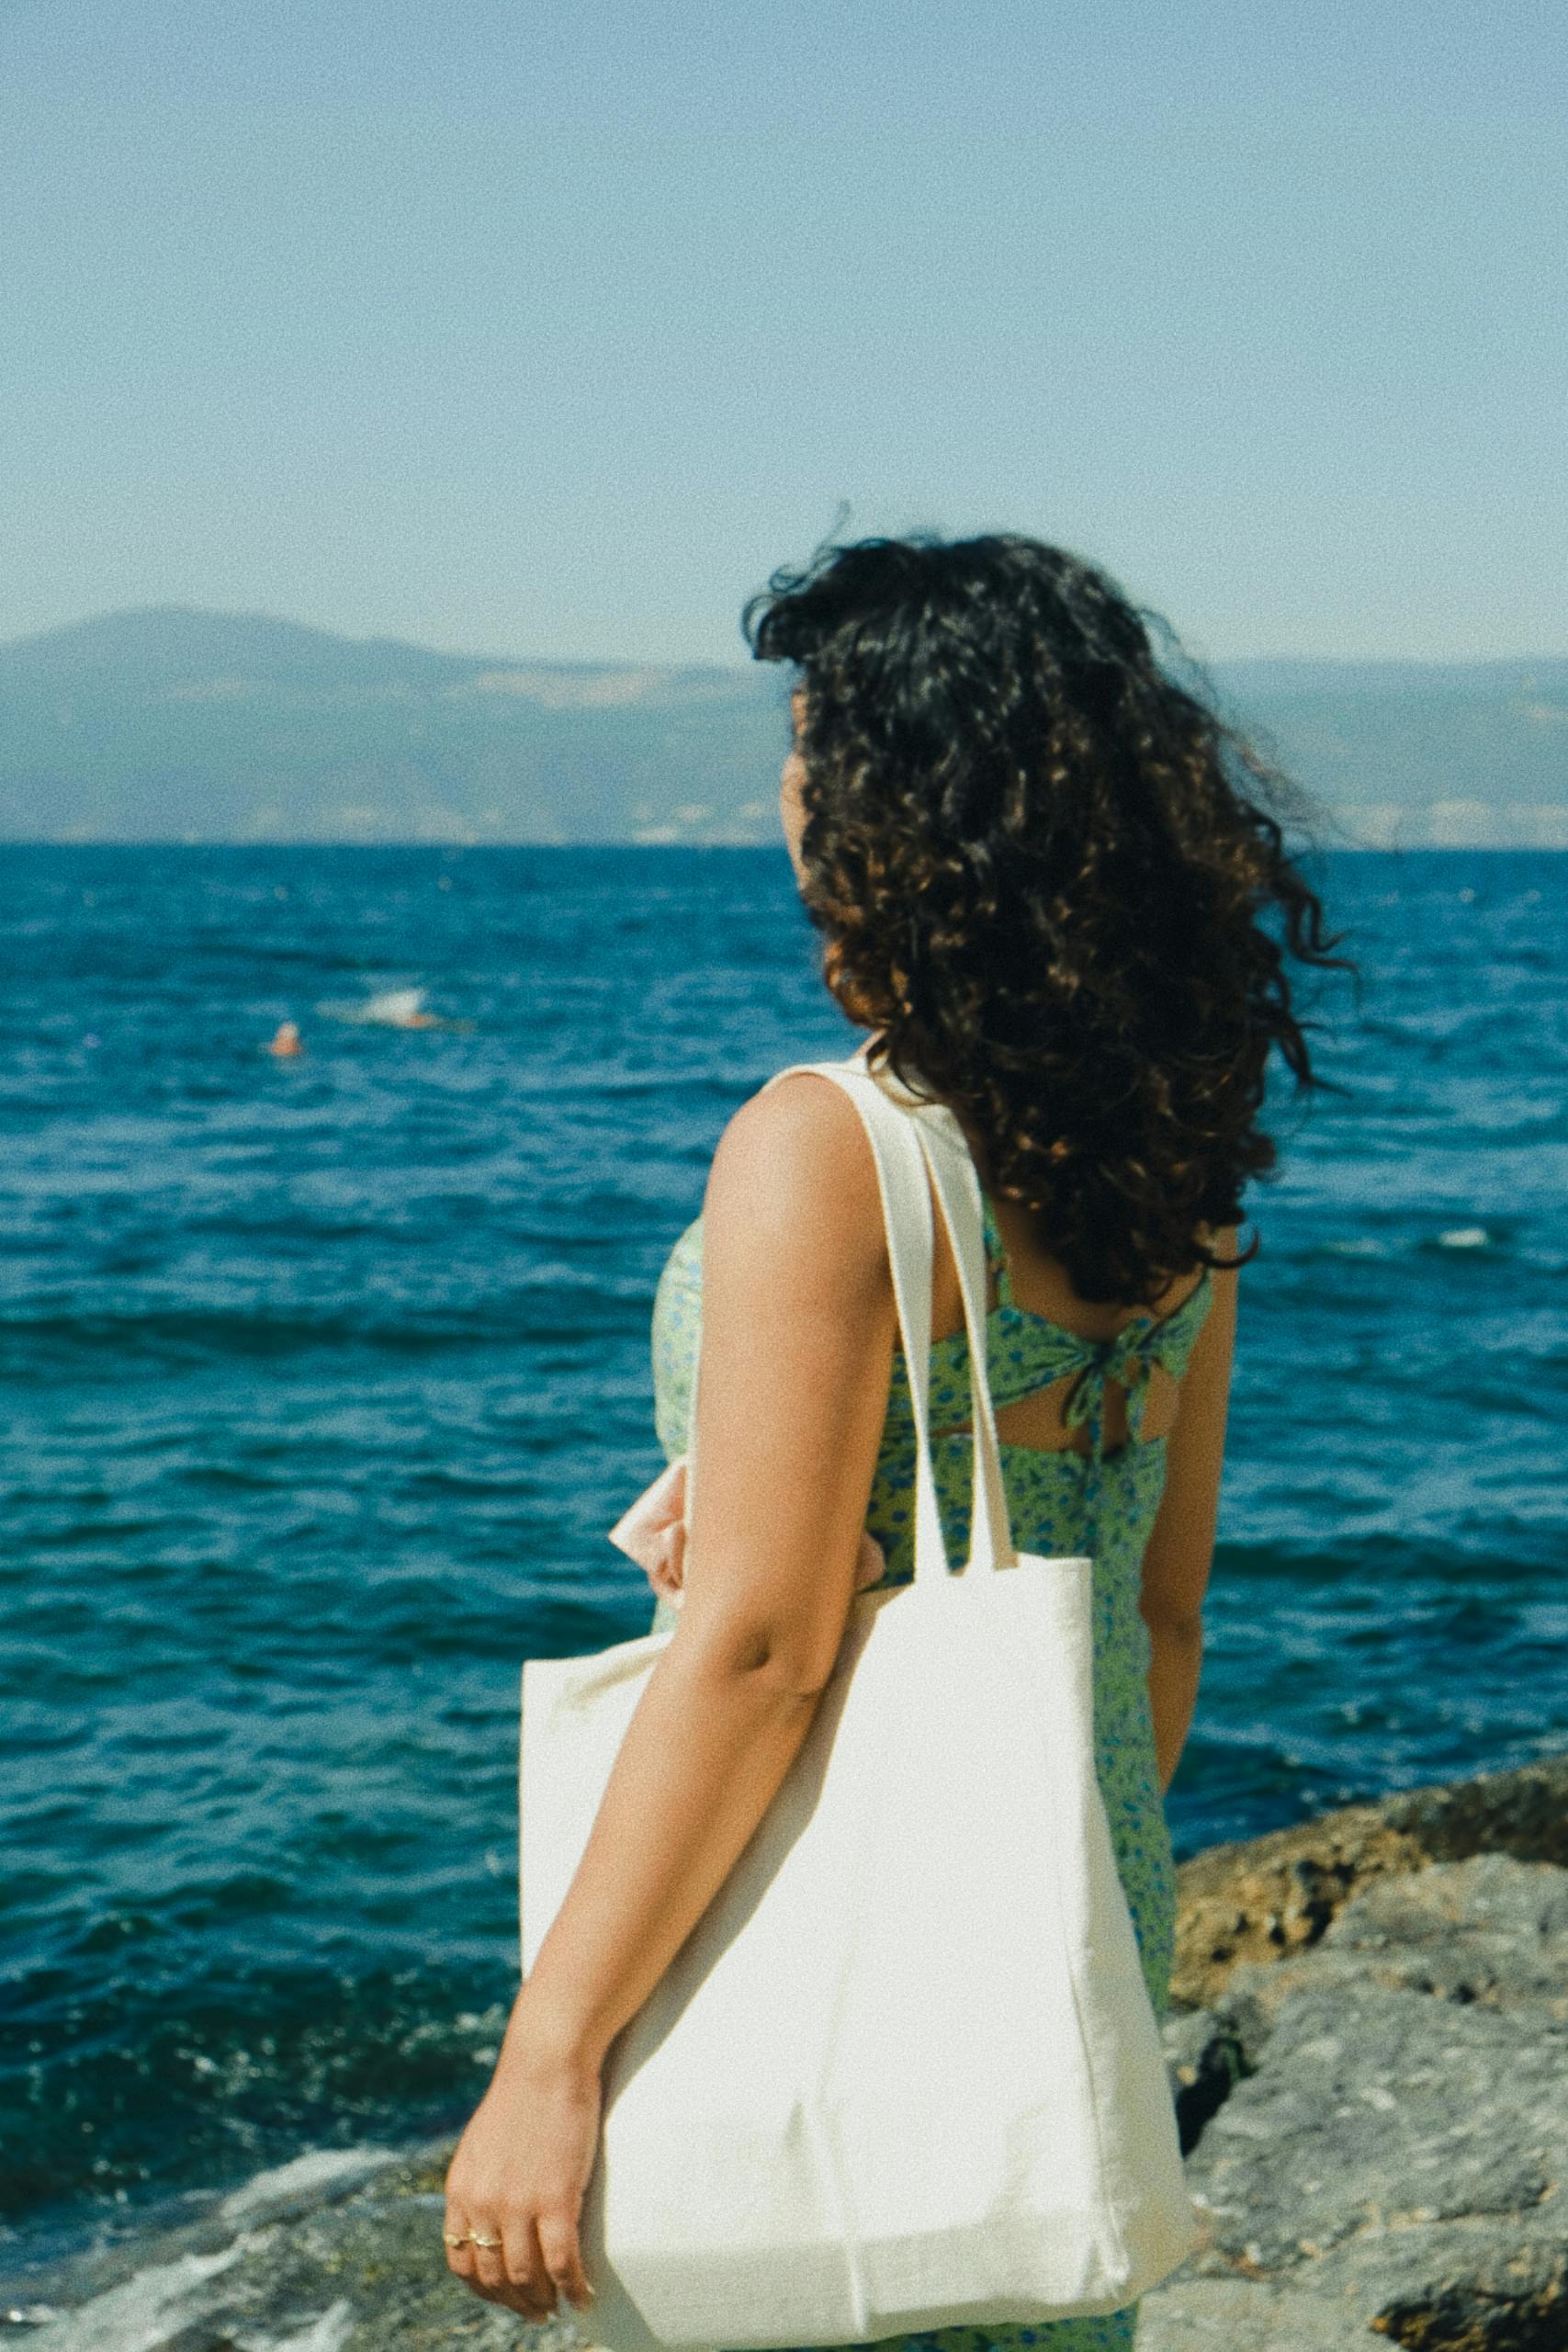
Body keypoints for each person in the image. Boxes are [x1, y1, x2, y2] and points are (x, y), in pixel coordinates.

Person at [444, 533, 1345, 2349]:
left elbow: (763, 1643)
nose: (779, 783)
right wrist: (1051, 1879)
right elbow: (1158, 1618)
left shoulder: (825, 1146)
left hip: (828, 1950)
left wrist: (548, 2050)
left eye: (808, 741)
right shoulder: (1169, 1154)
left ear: (885, 804)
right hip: (1065, 1926)